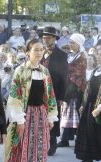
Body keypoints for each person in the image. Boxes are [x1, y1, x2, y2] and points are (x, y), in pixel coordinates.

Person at [3, 39, 58, 162]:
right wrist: (19, 120)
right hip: (25, 116)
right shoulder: (21, 70)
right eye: (36, 50)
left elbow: (50, 95)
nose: (39, 53)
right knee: (22, 151)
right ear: (28, 52)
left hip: (40, 115)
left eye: (41, 50)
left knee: (38, 152)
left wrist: (50, 116)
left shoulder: (45, 71)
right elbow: (15, 96)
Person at [41, 26, 68, 155]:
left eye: (49, 38)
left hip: (54, 91)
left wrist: (62, 96)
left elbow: (64, 76)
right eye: (44, 38)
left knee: (53, 117)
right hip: (39, 91)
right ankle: (41, 142)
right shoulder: (39, 52)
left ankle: (52, 143)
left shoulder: (61, 54)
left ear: (55, 39)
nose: (46, 40)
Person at [58, 34, 87, 147]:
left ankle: (73, 138)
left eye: (73, 42)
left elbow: (80, 73)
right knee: (68, 113)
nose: (70, 44)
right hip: (69, 87)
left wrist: (66, 73)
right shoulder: (72, 55)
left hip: (75, 88)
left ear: (79, 44)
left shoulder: (82, 56)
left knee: (73, 113)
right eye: (70, 42)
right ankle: (66, 138)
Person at [74, 48, 101, 162]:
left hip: (99, 107)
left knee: (99, 134)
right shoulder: (96, 70)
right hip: (89, 106)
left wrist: (100, 108)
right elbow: (87, 89)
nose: (100, 57)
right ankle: (87, 159)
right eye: (99, 55)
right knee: (86, 133)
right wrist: (83, 105)